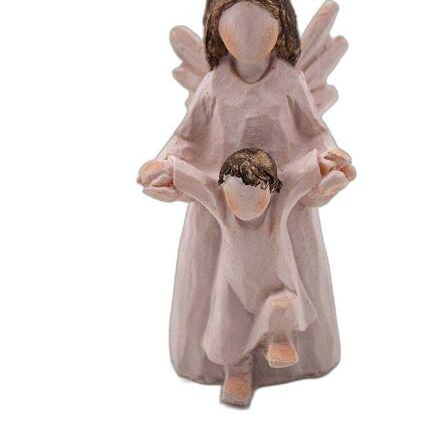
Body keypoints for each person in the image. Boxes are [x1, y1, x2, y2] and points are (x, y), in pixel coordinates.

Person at [144, 147, 351, 405]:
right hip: (233, 287)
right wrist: (169, 170)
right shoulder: (221, 205)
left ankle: (278, 339)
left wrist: (322, 165)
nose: (245, 205)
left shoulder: (279, 205)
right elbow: (200, 184)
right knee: (229, 330)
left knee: (282, 305)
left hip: (275, 285)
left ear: (271, 190)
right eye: (237, 195)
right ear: (224, 188)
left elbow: (297, 178)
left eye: (255, 196)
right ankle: (237, 373)